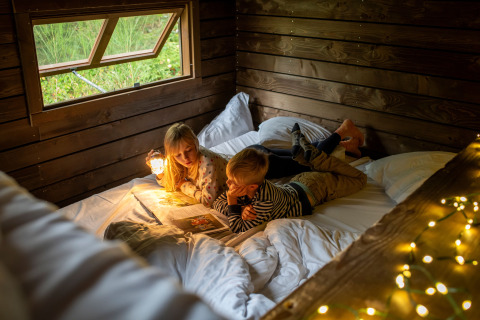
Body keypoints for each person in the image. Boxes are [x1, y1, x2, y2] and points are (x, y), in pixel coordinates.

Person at [213, 123, 367, 233]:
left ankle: (316, 157)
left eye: (231, 181)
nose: (227, 184)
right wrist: (239, 208)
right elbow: (217, 202)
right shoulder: (247, 185)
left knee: (360, 179)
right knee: (335, 173)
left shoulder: (263, 203)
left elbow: (237, 227)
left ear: (252, 187)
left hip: (317, 189)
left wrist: (232, 201)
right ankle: (313, 156)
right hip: (300, 182)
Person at [146, 123, 228, 207]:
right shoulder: (175, 159)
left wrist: (184, 185)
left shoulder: (207, 163)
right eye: (178, 155)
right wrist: (159, 170)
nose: (185, 158)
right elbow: (172, 183)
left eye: (189, 150)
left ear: (196, 143)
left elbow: (207, 200)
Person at [248, 119, 364, 179]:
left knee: (309, 162)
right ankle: (345, 146)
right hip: (250, 153)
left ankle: (342, 131)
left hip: (257, 166)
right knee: (301, 154)